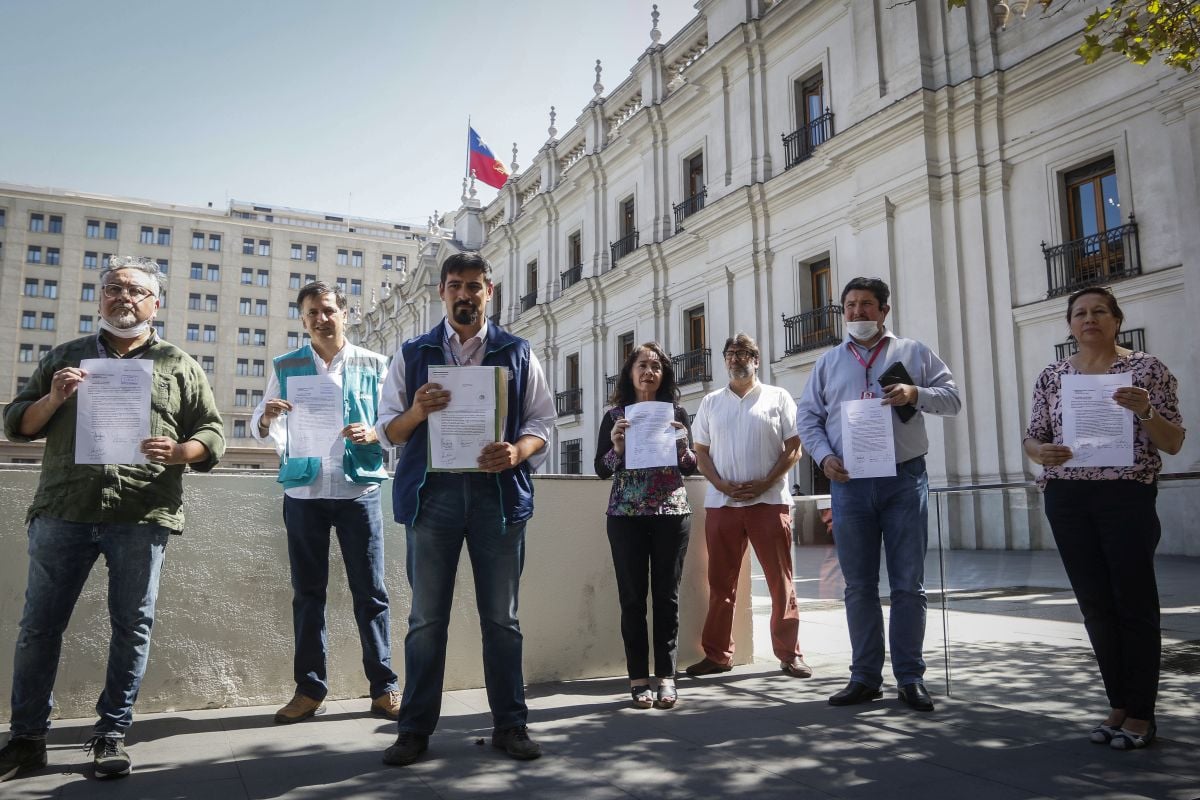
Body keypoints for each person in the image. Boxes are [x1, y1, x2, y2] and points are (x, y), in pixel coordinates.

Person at [0, 257, 225, 782]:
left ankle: (110, 735)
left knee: (132, 626)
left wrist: (179, 452)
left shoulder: (178, 364)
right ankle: (27, 739)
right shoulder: (65, 357)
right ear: (100, 298)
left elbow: (211, 434)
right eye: (113, 288)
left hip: (141, 513)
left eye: (136, 291)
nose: (123, 297)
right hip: (65, 509)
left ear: (155, 304)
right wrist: (55, 397)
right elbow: (18, 426)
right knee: (38, 628)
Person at [375, 252, 556, 766]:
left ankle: (511, 725)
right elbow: (388, 430)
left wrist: (517, 451)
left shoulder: (518, 353)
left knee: (502, 618)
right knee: (426, 620)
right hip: (432, 498)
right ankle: (413, 730)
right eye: (456, 285)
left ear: (489, 292)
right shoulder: (412, 353)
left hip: (496, 499)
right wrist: (418, 411)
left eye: (475, 286)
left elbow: (542, 423)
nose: (465, 295)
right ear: (441, 292)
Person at [1023, 286, 1184, 750]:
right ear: (1070, 325)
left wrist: (1146, 410)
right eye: (1079, 313)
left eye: (1098, 311)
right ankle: (1119, 702)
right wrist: (1042, 453)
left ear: (1116, 319)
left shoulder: (1145, 369)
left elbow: (1172, 442)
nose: (1088, 318)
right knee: (1095, 604)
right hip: (1068, 497)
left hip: (1125, 496)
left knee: (1133, 602)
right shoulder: (1053, 376)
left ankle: (1142, 713)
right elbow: (1033, 439)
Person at [797, 276, 960, 712]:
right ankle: (865, 676)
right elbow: (808, 417)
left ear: (884, 310)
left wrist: (915, 393)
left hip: (904, 480)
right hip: (848, 484)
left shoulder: (913, 352)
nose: (857, 313)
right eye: (849, 305)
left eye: (866, 305)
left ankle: (910, 677)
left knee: (909, 584)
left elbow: (952, 399)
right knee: (858, 586)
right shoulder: (828, 362)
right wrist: (822, 456)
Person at [251, 282, 400, 725]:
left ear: (345, 314)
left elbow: (394, 417)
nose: (321, 318)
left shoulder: (375, 363)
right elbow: (260, 424)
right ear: (303, 319)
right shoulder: (288, 365)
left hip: (359, 490)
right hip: (305, 492)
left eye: (329, 310)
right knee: (307, 595)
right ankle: (309, 690)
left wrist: (373, 431)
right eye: (312, 312)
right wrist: (268, 416)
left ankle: (385, 688)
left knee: (371, 593)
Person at [685, 333, 810, 681]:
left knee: (780, 583)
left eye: (743, 353)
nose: (735, 359)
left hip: (769, 503)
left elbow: (794, 447)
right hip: (721, 505)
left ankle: (790, 654)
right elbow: (701, 453)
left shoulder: (778, 397)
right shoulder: (711, 402)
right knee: (721, 584)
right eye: (730, 353)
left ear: (756, 359)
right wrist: (721, 485)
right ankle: (717, 655)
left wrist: (767, 481)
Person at [595, 343, 698, 709]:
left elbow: (690, 467)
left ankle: (667, 677)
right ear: (630, 372)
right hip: (626, 516)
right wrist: (617, 448)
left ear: (663, 375)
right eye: (642, 365)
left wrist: (685, 445)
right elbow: (601, 469)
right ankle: (638, 679)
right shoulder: (614, 416)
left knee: (667, 597)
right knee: (632, 599)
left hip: (671, 513)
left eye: (656, 366)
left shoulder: (678, 412)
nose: (649, 372)